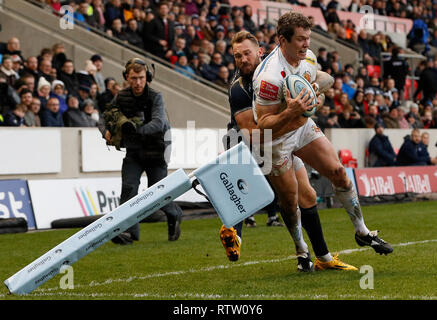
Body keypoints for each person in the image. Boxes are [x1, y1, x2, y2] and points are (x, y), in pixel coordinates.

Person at [252, 12, 392, 270]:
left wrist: (315, 91)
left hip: (302, 128)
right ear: (283, 40)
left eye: (308, 38)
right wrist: (291, 111)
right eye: (301, 40)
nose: (306, 44)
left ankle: (362, 231)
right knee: (290, 199)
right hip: (275, 141)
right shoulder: (268, 78)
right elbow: (263, 125)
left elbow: (322, 78)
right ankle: (301, 251)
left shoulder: (306, 58)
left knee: (339, 172)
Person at [219, 31, 357, 271]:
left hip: (282, 136)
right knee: (282, 198)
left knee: (307, 197)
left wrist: (311, 98)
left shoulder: (277, 70)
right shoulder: (239, 89)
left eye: (246, 54)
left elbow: (322, 81)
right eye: (237, 56)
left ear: (259, 52)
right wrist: (293, 116)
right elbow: (254, 133)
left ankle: (316, 258)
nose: (242, 59)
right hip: (256, 144)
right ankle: (240, 235)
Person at [103, 58, 182, 245]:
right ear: (127, 78)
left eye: (141, 78)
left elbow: (159, 123)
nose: (138, 82)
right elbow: (105, 117)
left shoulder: (156, 96)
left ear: (147, 77)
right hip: (134, 152)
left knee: (157, 196)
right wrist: (106, 130)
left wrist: (134, 131)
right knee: (129, 189)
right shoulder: (121, 97)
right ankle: (130, 233)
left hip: (157, 151)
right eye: (133, 78)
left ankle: (174, 214)